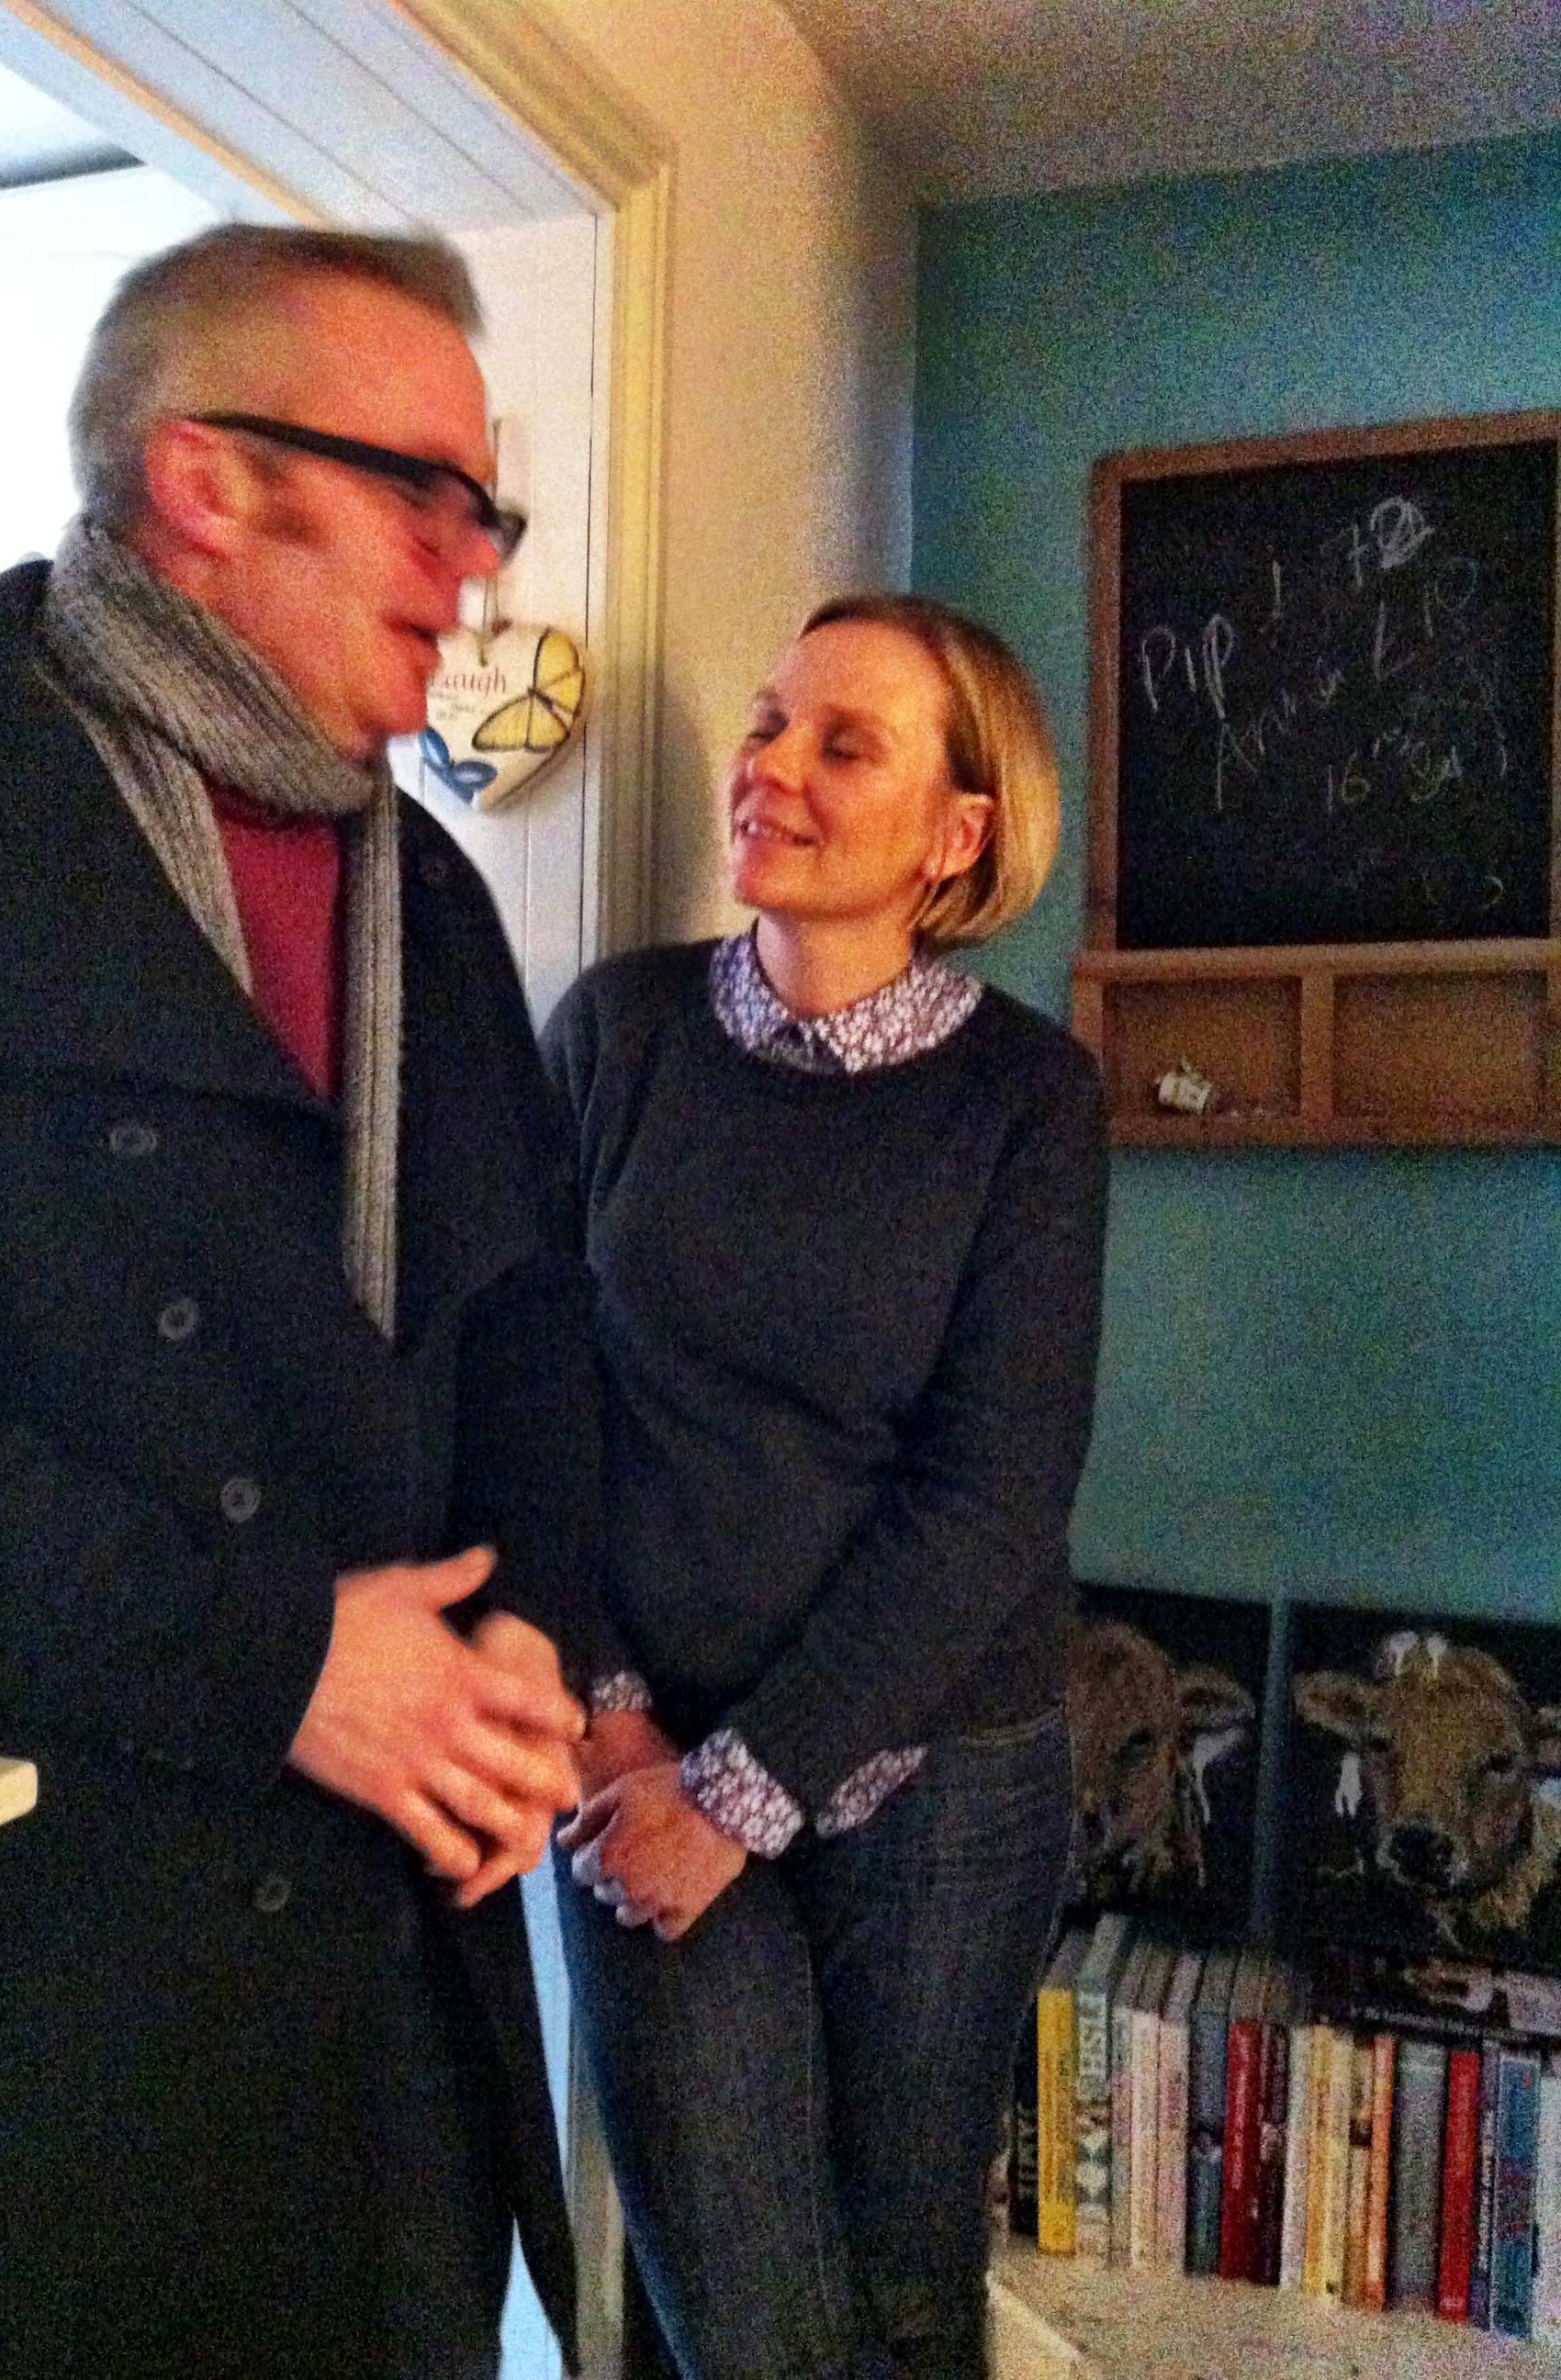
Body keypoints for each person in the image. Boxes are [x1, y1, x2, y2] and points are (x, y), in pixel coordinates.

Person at [0, 225, 606, 2380]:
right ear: (207, 481)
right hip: (59, 1980)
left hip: (393, 1985)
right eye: (427, 497)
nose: (470, 569)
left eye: (485, 513)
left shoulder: (435, 895)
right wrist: (277, 1660)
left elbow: (528, 1330)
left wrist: (525, 1650)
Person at [544, 595, 1109, 2380]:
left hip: (936, 1777)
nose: (770, 766)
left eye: (842, 744)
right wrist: (615, 1724)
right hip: (635, 1754)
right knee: (737, 2309)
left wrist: (744, 1788)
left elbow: (992, 1493)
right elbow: (528, 1401)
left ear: (955, 835)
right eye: (769, 721)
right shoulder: (618, 1032)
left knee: (902, 2295)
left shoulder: (1027, 1101)